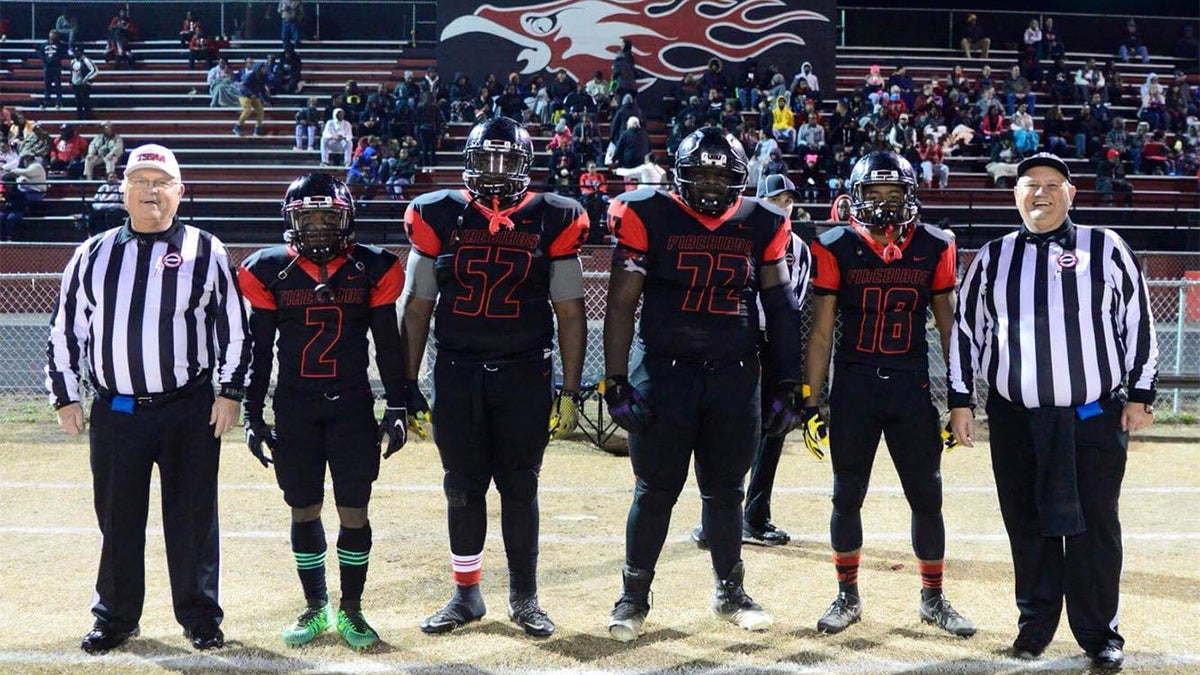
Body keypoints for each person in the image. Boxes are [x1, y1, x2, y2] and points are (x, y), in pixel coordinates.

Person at [947, 153, 1158, 671]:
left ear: (1070, 194)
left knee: (1095, 525)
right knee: (1027, 523)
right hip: (1018, 416)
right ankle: (1035, 627)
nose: (1040, 193)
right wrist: (960, 402)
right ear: (1015, 194)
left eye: (1051, 184)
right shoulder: (993, 258)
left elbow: (1139, 321)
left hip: (1092, 415)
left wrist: (1141, 393)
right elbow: (965, 335)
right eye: (1030, 185)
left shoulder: (1106, 248)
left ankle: (1099, 633)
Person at [44, 144, 250, 654]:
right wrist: (66, 396)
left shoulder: (208, 250)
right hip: (118, 410)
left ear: (180, 192)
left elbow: (235, 329)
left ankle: (200, 616)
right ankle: (115, 616)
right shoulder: (91, 252)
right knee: (117, 517)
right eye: (140, 181)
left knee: (194, 516)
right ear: (123, 191)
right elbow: (66, 329)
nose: (150, 191)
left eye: (161, 181)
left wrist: (230, 391)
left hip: (190, 408)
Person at [603, 127, 805, 641]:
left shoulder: (762, 222)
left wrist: (788, 382)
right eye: (703, 172)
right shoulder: (647, 212)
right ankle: (633, 595)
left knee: (725, 492)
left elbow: (780, 307)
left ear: (739, 178)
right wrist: (616, 380)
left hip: (735, 378)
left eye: (723, 174)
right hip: (665, 375)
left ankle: (729, 591)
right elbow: (623, 302)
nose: (712, 185)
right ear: (681, 174)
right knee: (654, 491)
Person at [402, 117, 589, 638]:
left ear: (527, 165)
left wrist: (570, 391)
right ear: (468, 161)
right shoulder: (436, 214)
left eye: (508, 161)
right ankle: (466, 595)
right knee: (461, 487)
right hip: (458, 372)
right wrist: (406, 384)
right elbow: (417, 307)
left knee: (519, 486)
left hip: (525, 373)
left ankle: (525, 597)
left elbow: (570, 311)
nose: (495, 172)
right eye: (485, 160)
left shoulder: (554, 217)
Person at [803, 151, 974, 638]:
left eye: (893, 195)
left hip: (910, 388)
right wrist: (810, 401)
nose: (883, 204)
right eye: (873, 195)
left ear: (910, 197)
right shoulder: (834, 244)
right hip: (855, 388)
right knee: (846, 495)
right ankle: (847, 596)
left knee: (927, 497)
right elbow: (820, 333)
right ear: (854, 197)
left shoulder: (935, 244)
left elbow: (950, 328)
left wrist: (961, 398)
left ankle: (934, 599)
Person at [238, 173, 408, 649]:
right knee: (303, 507)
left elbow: (387, 342)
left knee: (354, 509)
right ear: (289, 220)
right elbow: (260, 350)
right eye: (306, 218)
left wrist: (397, 403)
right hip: (295, 406)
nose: (316, 228)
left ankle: (352, 609)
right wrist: (253, 413)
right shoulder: (269, 269)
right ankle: (317, 606)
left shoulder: (370, 268)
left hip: (352, 405)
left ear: (345, 218)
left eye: (326, 217)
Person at [689, 173, 812, 550]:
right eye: (776, 200)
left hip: (775, 340)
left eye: (788, 201)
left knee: (774, 429)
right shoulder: (744, 234)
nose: (783, 207)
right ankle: (716, 518)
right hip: (737, 337)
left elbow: (794, 301)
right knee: (730, 430)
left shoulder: (801, 248)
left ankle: (755, 516)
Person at [233, 62, 271, 137]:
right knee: (247, 110)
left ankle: (257, 129)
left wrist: (266, 99)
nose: (265, 69)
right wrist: (250, 94)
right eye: (263, 68)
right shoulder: (250, 76)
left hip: (254, 96)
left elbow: (262, 88)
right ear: (259, 69)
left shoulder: (263, 76)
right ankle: (238, 127)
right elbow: (243, 87)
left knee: (260, 110)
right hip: (244, 95)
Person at [39, 29, 67, 110]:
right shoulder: (43, 45)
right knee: (47, 84)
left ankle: (59, 101)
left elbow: (62, 54)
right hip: (47, 66)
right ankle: (47, 101)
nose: (53, 35)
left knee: (57, 84)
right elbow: (41, 54)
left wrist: (54, 60)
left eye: (55, 34)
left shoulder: (60, 45)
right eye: (52, 33)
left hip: (56, 67)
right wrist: (45, 60)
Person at [69, 46, 98, 119]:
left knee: (85, 102)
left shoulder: (86, 60)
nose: (75, 54)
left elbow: (95, 70)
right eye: (74, 52)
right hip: (76, 84)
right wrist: (71, 80)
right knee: (78, 102)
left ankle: (87, 117)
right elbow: (72, 72)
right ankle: (80, 117)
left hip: (84, 85)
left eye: (77, 52)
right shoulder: (73, 61)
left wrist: (87, 78)